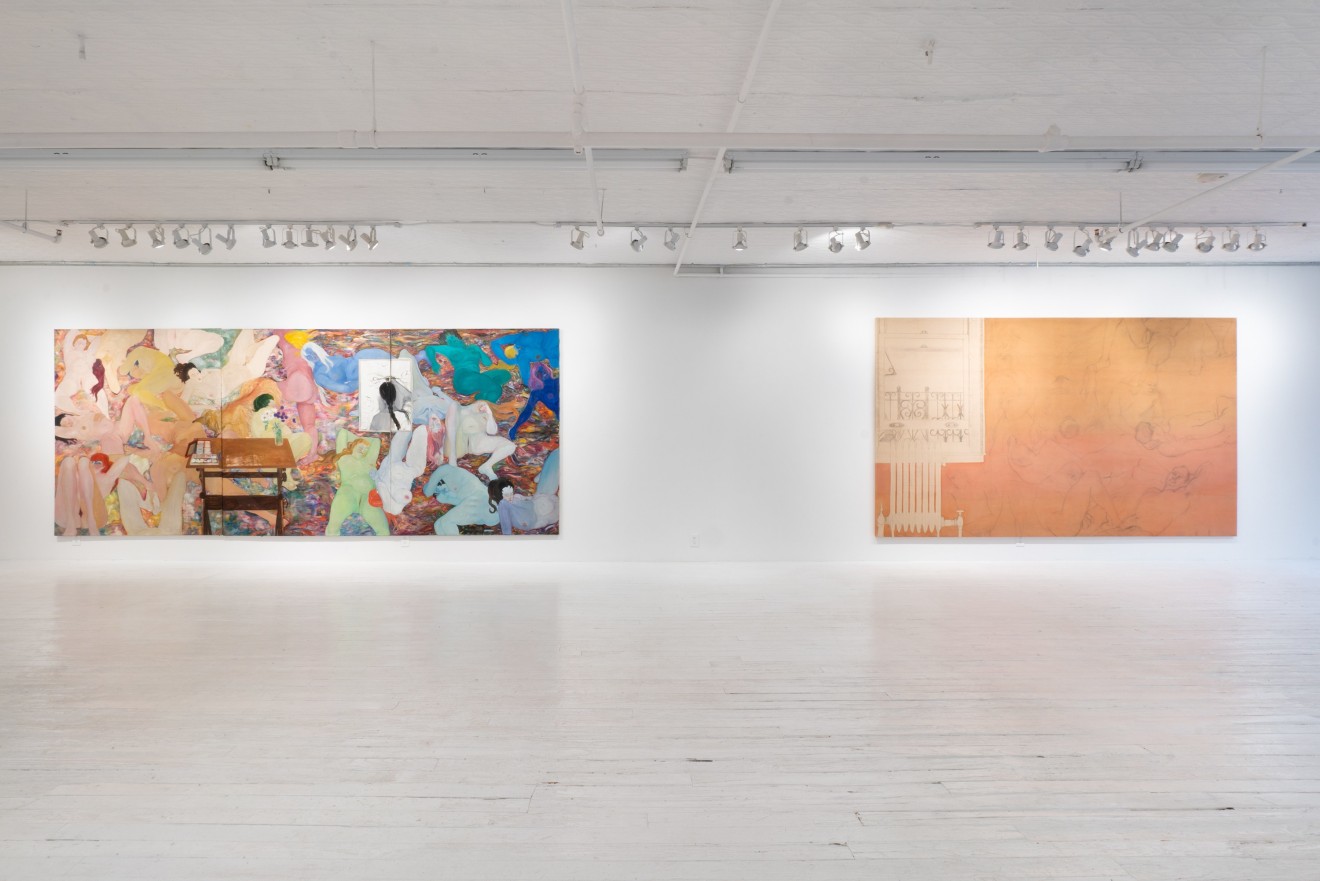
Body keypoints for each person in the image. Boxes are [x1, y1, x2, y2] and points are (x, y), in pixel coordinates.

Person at [326, 429, 390, 536]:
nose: (364, 450)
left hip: (368, 497)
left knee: (384, 532)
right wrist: (359, 437)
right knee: (333, 527)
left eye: (366, 449)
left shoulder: (369, 461)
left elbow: (376, 442)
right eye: (361, 446)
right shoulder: (343, 457)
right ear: (353, 445)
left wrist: (362, 441)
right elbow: (342, 433)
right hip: (349, 492)